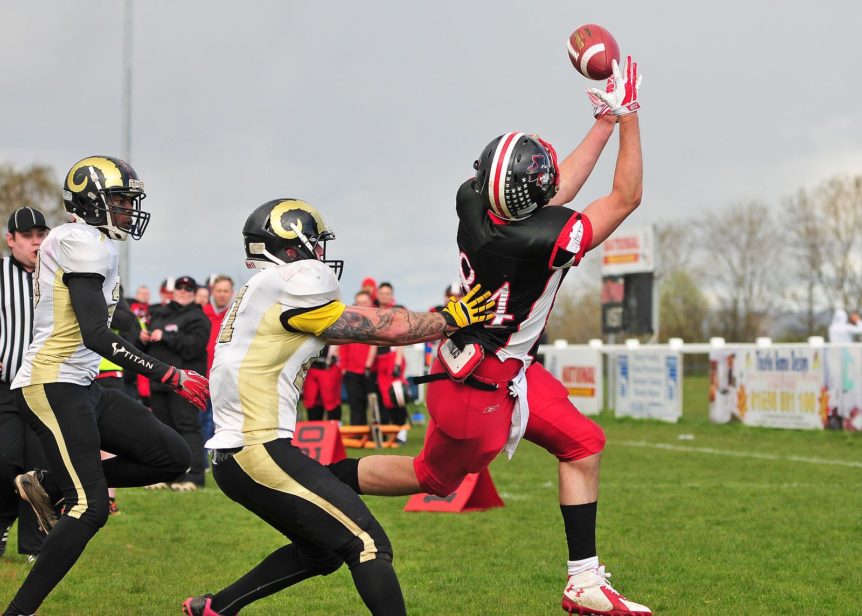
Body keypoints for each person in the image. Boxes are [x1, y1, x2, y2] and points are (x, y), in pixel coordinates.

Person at [331, 58, 651, 615]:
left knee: (584, 445)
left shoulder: (472, 198)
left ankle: (584, 582)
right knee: (431, 476)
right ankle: (317, 481)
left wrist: (602, 119)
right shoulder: (541, 240)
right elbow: (624, 197)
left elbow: (551, 191)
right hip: (479, 386)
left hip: (504, 368)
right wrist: (628, 118)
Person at [182, 198, 493, 616]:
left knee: (321, 551)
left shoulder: (263, 291)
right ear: (292, 246)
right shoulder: (296, 280)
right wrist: (448, 319)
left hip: (239, 455)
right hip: (257, 449)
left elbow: (361, 329)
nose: (321, 253)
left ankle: (216, 608)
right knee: (367, 542)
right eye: (315, 242)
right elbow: (382, 328)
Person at [5, 155, 208, 616]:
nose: (126, 209)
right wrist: (168, 373)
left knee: (173, 457)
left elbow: (99, 325)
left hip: (82, 384)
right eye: (119, 199)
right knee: (90, 507)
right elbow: (96, 335)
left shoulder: (89, 241)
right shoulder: (80, 241)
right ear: (91, 201)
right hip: (52, 380)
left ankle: (50, 483)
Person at [0, 207, 51, 562]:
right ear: (11, 240)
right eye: (28, 236)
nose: (36, 242)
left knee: (38, 467)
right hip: (5, 385)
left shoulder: (57, 274)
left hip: (44, 386)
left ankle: (36, 545)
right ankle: (3, 521)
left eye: (41, 235)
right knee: (5, 459)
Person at [143, 275, 211, 491]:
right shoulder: (160, 313)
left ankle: (193, 476)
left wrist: (168, 336)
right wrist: (143, 338)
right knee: (162, 429)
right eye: (179, 288)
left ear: (193, 293)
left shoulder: (198, 318)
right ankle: (165, 474)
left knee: (187, 427)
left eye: (187, 288)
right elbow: (148, 341)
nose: (183, 291)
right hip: (159, 379)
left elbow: (194, 347)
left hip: (184, 381)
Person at [201, 275, 235, 461]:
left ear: (231, 292)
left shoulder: (235, 314)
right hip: (202, 374)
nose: (222, 295)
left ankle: (220, 456)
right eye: (219, 291)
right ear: (212, 291)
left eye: (225, 291)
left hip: (226, 377)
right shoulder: (202, 313)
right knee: (201, 419)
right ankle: (201, 458)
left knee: (221, 419)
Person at [338, 291, 375, 426]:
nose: (362, 305)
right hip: (351, 370)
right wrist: (343, 367)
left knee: (373, 403)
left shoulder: (375, 320)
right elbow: (342, 346)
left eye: (365, 302)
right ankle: (357, 432)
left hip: (369, 369)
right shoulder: (349, 322)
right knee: (355, 403)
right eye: (360, 303)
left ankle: (376, 432)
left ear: (370, 303)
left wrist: (368, 364)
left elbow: (374, 345)